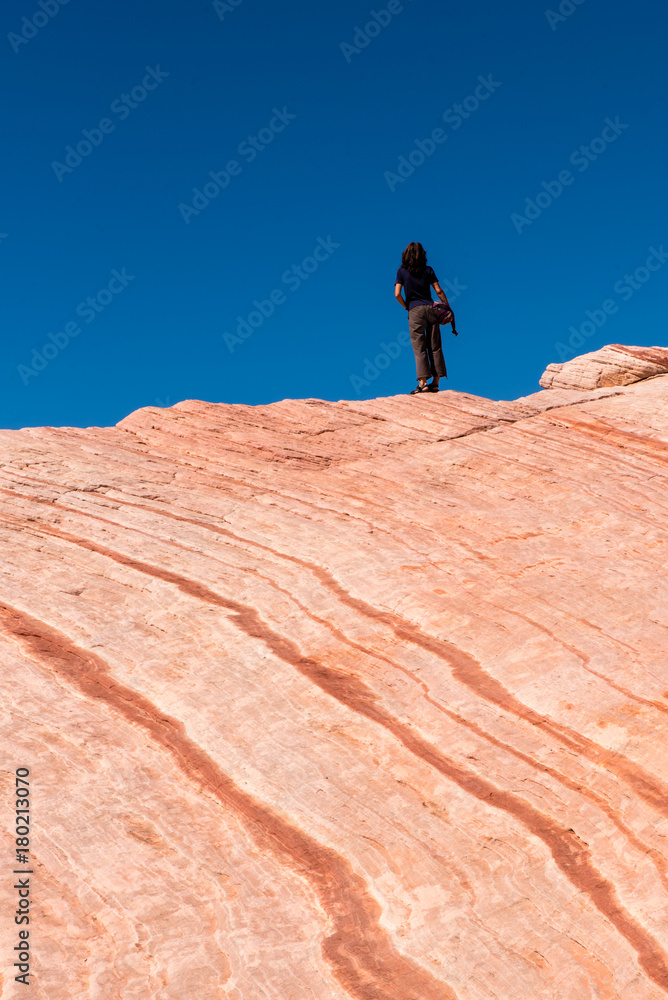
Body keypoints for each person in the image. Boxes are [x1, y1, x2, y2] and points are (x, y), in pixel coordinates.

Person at [395, 242, 457, 394]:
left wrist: (406, 306)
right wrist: (448, 307)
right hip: (431, 309)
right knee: (435, 346)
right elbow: (438, 290)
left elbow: (397, 294)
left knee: (419, 347)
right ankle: (435, 383)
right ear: (422, 254)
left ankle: (423, 383)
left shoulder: (402, 271)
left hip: (414, 310)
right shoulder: (428, 270)